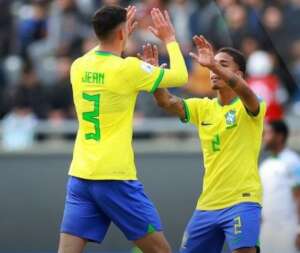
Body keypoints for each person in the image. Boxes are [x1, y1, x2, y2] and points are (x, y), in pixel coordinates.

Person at [58, 5, 188, 253]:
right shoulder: (128, 69)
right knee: (160, 251)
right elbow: (181, 76)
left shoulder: (78, 66)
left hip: (81, 175)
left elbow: (102, 48)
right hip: (115, 177)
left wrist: (118, 33)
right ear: (122, 34)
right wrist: (169, 38)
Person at [151, 35, 266, 253]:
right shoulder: (202, 107)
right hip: (207, 205)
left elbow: (245, 91)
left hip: (242, 200)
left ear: (239, 74)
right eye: (212, 66)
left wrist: (214, 63)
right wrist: (155, 77)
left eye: (222, 65)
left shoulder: (250, 106)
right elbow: (165, 101)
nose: (213, 70)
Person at [260, 120, 300, 253]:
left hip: (288, 231)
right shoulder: (265, 166)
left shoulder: (293, 161)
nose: (264, 137)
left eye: (268, 133)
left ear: (280, 136)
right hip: (266, 231)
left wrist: (299, 230)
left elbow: (299, 197)